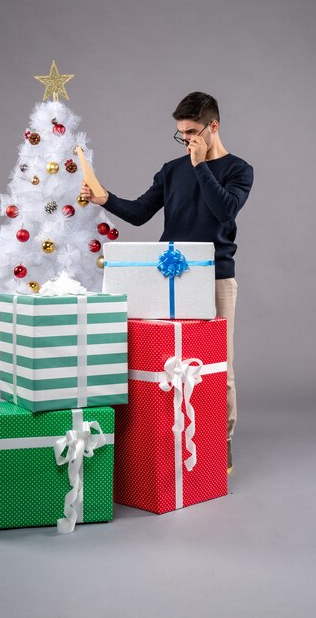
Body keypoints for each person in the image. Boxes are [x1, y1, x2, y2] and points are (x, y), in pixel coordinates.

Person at [80, 91, 254, 474]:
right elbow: (142, 212)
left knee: (219, 366)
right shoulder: (172, 169)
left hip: (215, 277)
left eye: (192, 132)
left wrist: (200, 166)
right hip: (167, 276)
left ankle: (220, 442)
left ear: (213, 127)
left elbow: (224, 210)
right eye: (181, 134)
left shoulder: (239, 169)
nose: (186, 139)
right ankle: (161, 439)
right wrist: (104, 198)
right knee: (161, 360)